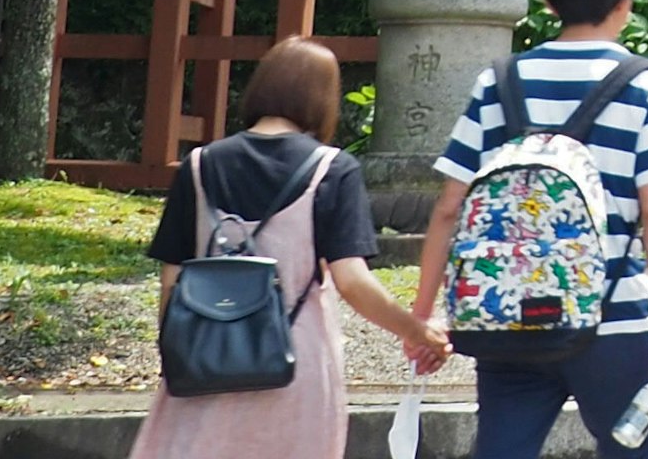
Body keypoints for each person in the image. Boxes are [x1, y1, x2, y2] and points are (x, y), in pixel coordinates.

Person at [413, 0, 648, 459]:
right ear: (626, 3)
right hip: (612, 321)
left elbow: (449, 207)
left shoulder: (498, 82)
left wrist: (424, 315)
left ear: (548, 2)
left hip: (507, 314)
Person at [137, 36, 445, 459]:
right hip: (292, 360)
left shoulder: (198, 165)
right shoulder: (333, 169)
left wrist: (179, 352)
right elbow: (352, 281)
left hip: (204, 357)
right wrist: (415, 330)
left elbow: (172, 280)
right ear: (322, 101)